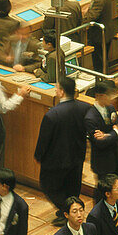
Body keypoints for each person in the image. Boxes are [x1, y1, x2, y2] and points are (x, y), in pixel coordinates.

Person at [34, 76, 90, 223]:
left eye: (57, 88)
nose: (55, 90)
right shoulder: (84, 108)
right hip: (77, 156)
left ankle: (68, 212)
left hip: (56, 160)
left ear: (62, 92)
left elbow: (44, 140)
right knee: (73, 187)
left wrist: (38, 156)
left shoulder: (52, 115)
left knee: (49, 186)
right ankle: (71, 211)